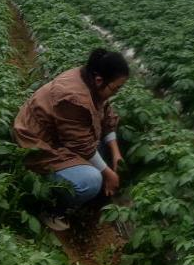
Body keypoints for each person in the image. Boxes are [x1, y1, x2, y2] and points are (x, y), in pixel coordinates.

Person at [12, 47, 129, 231]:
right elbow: (81, 145)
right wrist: (109, 174)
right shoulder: (73, 97)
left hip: (61, 137)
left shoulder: (93, 82)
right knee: (91, 180)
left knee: (105, 150)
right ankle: (51, 209)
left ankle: (89, 198)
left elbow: (107, 119)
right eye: (116, 88)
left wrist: (116, 154)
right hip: (38, 143)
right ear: (100, 80)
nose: (116, 92)